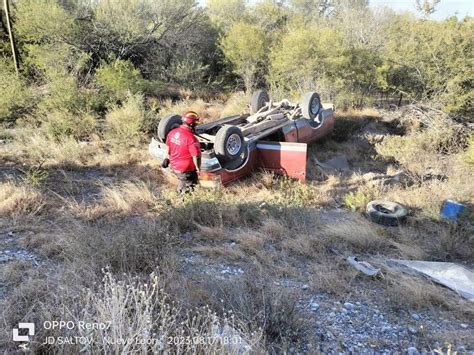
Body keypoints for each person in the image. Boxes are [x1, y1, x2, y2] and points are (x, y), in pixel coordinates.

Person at [163, 111, 201, 193]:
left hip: (174, 166)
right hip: (186, 170)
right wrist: (198, 168)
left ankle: (180, 193)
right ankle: (185, 202)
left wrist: (166, 157)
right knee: (190, 188)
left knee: (183, 181)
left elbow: (168, 146)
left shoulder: (172, 132)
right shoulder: (192, 139)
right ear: (191, 124)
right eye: (195, 123)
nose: (196, 125)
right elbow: (196, 156)